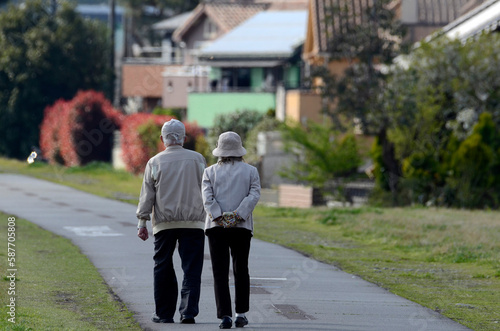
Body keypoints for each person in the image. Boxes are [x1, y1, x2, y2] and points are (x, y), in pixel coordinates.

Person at [136, 119, 206, 324]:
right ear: (184, 138)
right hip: (193, 223)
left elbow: (147, 195)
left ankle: (164, 313)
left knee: (162, 266)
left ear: (162, 139)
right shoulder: (198, 159)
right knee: (192, 268)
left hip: (164, 224)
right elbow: (207, 189)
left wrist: (142, 222)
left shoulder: (154, 162)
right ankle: (188, 312)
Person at [202, 131, 261, 329]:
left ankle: (224, 316)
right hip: (241, 226)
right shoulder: (251, 171)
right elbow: (254, 194)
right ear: (239, 149)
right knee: (241, 269)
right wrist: (237, 215)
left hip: (216, 227)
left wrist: (219, 216)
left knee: (220, 272)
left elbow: (207, 197)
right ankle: (240, 313)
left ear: (220, 150)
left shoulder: (209, 172)